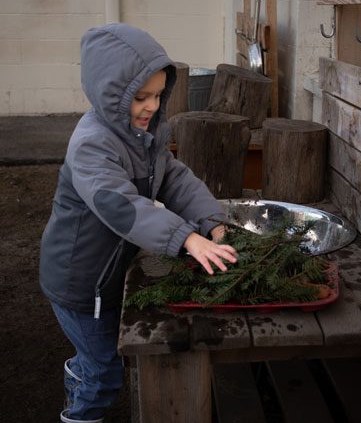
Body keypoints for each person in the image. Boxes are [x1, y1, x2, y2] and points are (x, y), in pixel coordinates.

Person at [39, 23, 237, 423]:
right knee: (105, 374)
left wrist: (211, 219)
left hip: (107, 275)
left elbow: (175, 178)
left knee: (99, 353)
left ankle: (79, 369)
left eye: (158, 95)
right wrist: (187, 239)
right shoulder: (92, 144)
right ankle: (80, 410)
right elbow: (121, 206)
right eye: (140, 97)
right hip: (80, 283)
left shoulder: (142, 134)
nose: (151, 106)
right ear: (110, 94)